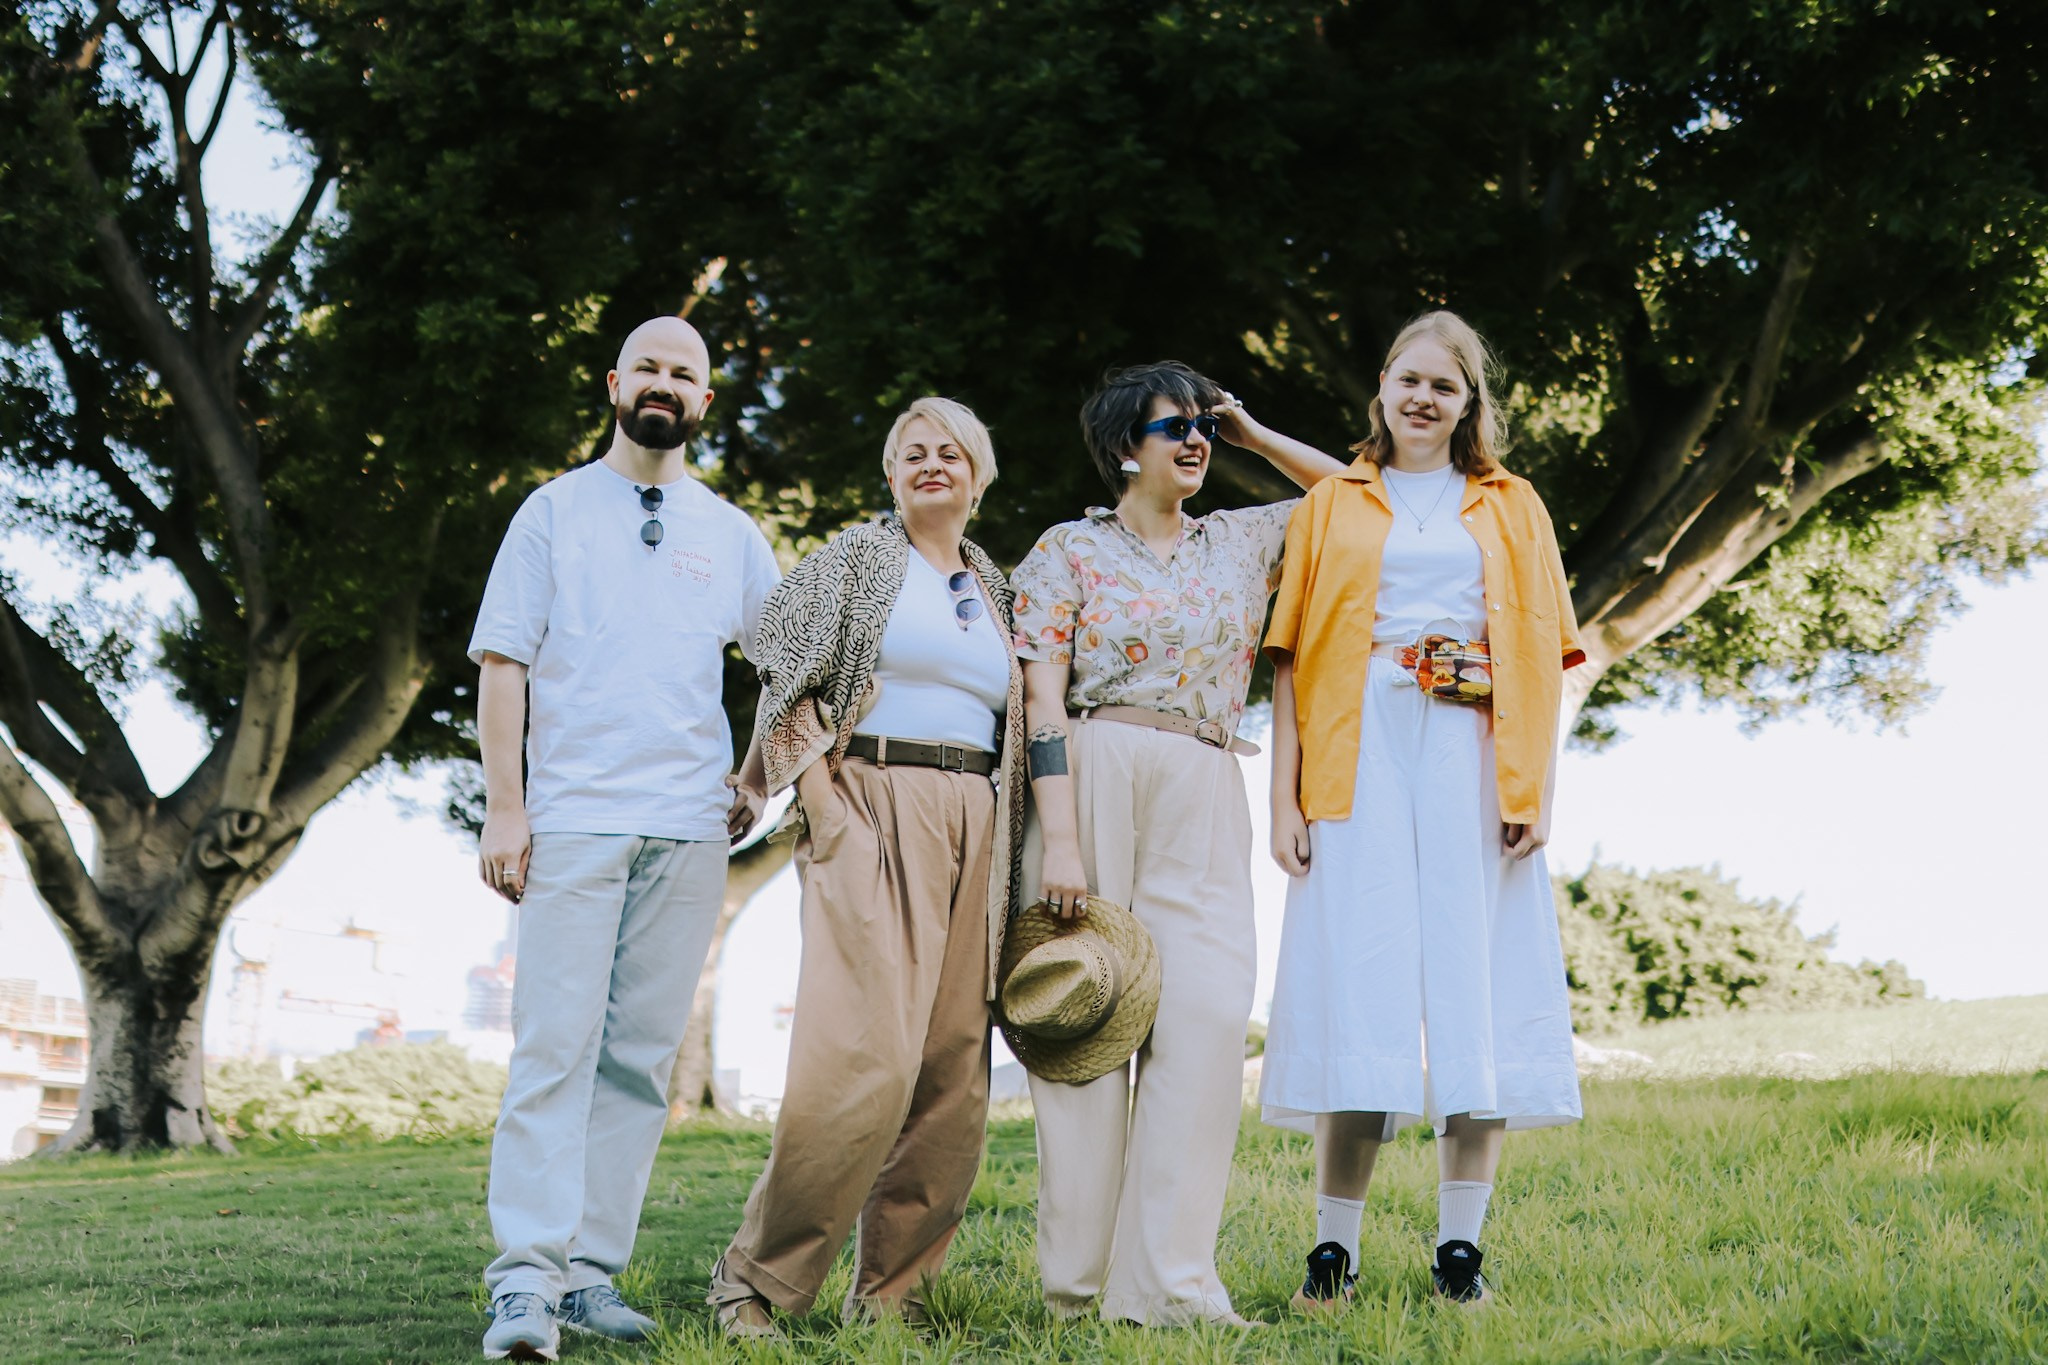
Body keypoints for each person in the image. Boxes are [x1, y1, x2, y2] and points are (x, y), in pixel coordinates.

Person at [468, 316, 781, 1360]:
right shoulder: (552, 513)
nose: (663, 383)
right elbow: (504, 660)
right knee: (553, 1054)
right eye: (647, 366)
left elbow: (789, 665)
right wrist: (504, 808)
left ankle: (590, 1276)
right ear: (614, 383)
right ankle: (523, 1286)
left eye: (683, 372)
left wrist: (754, 778)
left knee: (639, 1063)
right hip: (570, 819)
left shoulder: (731, 533)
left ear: (703, 398)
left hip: (688, 830)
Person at [1260, 310, 1586, 1311]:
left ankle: (1458, 1249)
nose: (1421, 399)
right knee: (1359, 985)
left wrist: (1536, 786)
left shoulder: (1508, 504)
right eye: (1407, 380)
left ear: (1467, 404)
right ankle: (1332, 1249)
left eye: (1442, 387)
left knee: (1470, 977)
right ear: (1380, 389)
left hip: (1472, 752)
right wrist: (1284, 798)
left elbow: (1545, 657)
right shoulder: (1332, 505)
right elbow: (1287, 656)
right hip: (1358, 751)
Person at [1010, 362, 1346, 1326]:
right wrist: (1061, 842)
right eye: (1175, 428)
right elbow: (1042, 698)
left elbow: (1362, 497)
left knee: (1199, 1027)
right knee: (1083, 1025)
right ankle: (1079, 1289)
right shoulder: (1067, 549)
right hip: (1092, 768)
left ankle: (1171, 1285)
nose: (1195, 440)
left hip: (1204, 776)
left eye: (1202, 425)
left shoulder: (1243, 542)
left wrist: (1252, 432)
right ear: (1126, 448)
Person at [707, 397, 1026, 1339]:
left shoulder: (997, 584)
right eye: (913, 453)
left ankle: (893, 1296)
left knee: (952, 1074)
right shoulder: (856, 557)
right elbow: (780, 663)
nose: (933, 465)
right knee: (862, 1061)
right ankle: (755, 1283)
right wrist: (813, 792)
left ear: (978, 473)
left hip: (980, 817)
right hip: (870, 802)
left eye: (952, 453)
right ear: (891, 476)